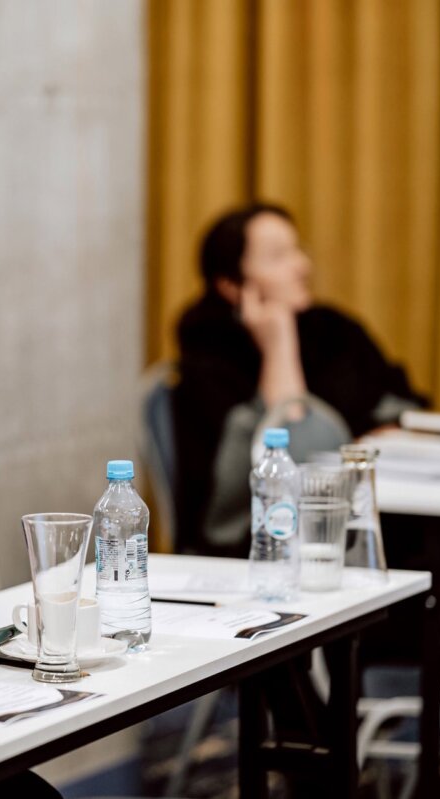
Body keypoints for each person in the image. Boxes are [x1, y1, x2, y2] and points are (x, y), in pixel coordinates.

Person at [171, 203, 426, 557]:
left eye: (297, 250)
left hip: (364, 508)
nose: (302, 266)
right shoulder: (208, 362)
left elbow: (401, 407)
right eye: (278, 257)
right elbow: (288, 460)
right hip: (266, 541)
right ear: (231, 285)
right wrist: (279, 346)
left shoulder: (333, 330)